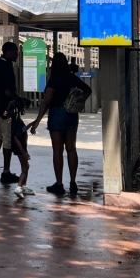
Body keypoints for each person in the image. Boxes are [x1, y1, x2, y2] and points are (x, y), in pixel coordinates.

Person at [28, 53, 92, 196]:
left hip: (57, 113)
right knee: (71, 149)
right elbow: (88, 90)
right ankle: (73, 183)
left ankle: (59, 184)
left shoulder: (54, 80)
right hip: (71, 114)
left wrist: (37, 121)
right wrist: (77, 102)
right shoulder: (72, 77)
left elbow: (46, 101)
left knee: (58, 150)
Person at [0, 42, 22, 184]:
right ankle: (6, 171)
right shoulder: (7, 67)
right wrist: (20, 99)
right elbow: (8, 91)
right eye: (15, 52)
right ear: (7, 52)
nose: (17, 54)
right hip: (6, 108)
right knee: (7, 139)